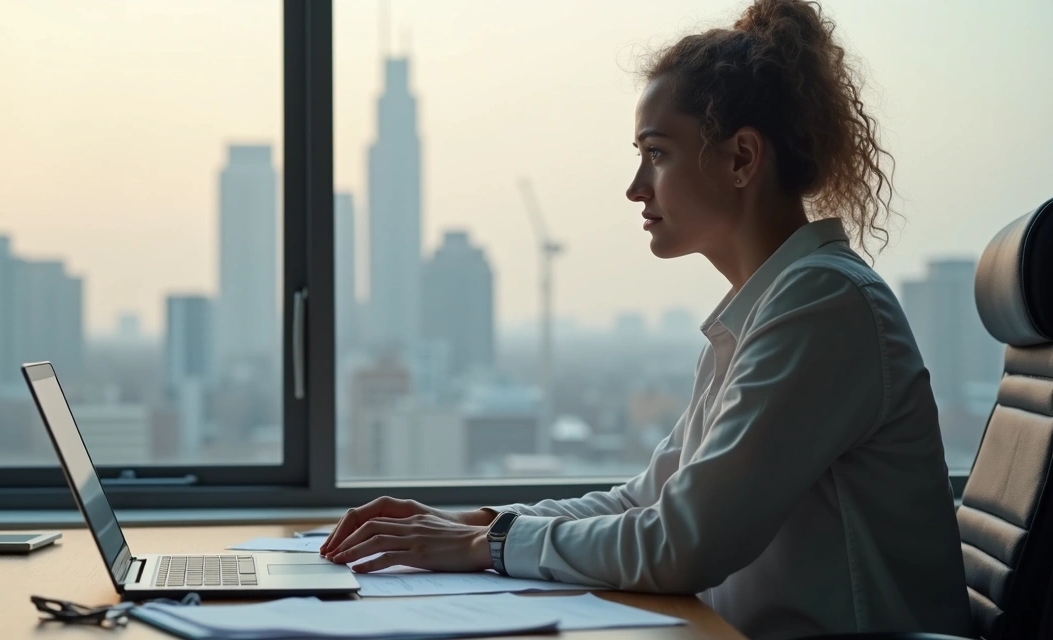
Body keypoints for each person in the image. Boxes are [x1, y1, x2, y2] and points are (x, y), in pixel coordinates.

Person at [320, 0, 972, 637]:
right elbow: (646, 502)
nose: (636, 186)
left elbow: (683, 542)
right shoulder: (766, 310)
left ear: (742, 158)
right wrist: (468, 522)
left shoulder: (823, 307)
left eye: (657, 153)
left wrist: (487, 544)